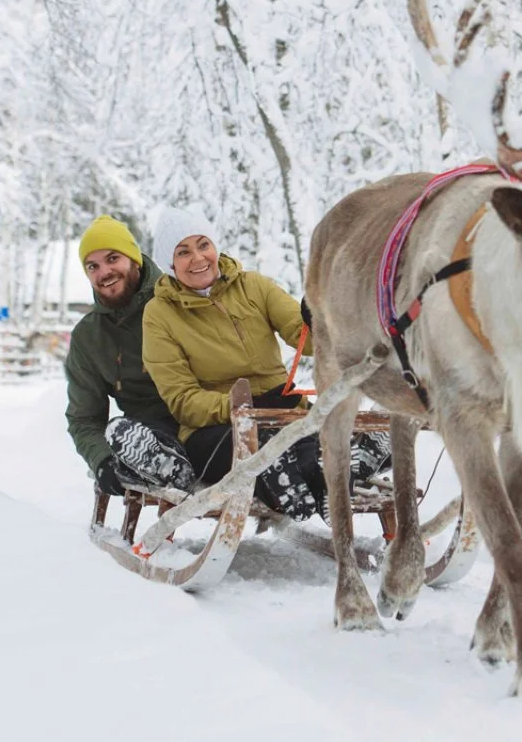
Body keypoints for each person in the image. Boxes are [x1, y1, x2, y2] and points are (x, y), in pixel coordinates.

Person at [141, 206, 390, 521]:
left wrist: (319, 319)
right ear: (169, 263)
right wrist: (241, 407)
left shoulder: (254, 287)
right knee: (272, 442)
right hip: (216, 428)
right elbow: (182, 400)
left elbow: (307, 340)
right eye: (183, 251)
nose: (198, 258)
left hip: (279, 408)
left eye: (203, 244)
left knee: (299, 431)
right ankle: (330, 474)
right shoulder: (159, 314)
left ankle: (328, 473)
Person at [64, 215, 203, 498]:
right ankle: (164, 462)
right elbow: (84, 417)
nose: (104, 272)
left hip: (204, 418)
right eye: (93, 266)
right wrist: (101, 459)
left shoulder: (179, 294)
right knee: (121, 432)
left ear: (134, 259)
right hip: (150, 432)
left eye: (113, 258)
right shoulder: (89, 337)